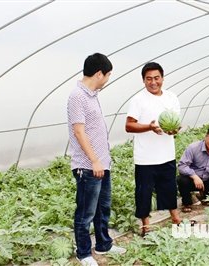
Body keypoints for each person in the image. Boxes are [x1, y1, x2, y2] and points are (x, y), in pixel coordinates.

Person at [67, 53, 126, 266]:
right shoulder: (77, 96)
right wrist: (94, 161)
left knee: (103, 209)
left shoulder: (91, 95)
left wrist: (102, 161)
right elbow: (79, 132)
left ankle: (104, 244)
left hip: (102, 164)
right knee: (85, 212)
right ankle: (83, 253)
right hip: (88, 166)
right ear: (99, 73)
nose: (107, 79)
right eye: (108, 75)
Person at [125, 62, 182, 236]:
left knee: (170, 188)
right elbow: (129, 125)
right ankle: (146, 226)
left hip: (166, 154)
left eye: (156, 78)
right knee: (144, 192)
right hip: (145, 157)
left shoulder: (171, 98)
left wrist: (173, 130)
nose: (153, 82)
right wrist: (150, 127)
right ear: (143, 81)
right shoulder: (138, 100)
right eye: (148, 79)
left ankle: (175, 217)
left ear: (162, 78)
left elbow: (176, 124)